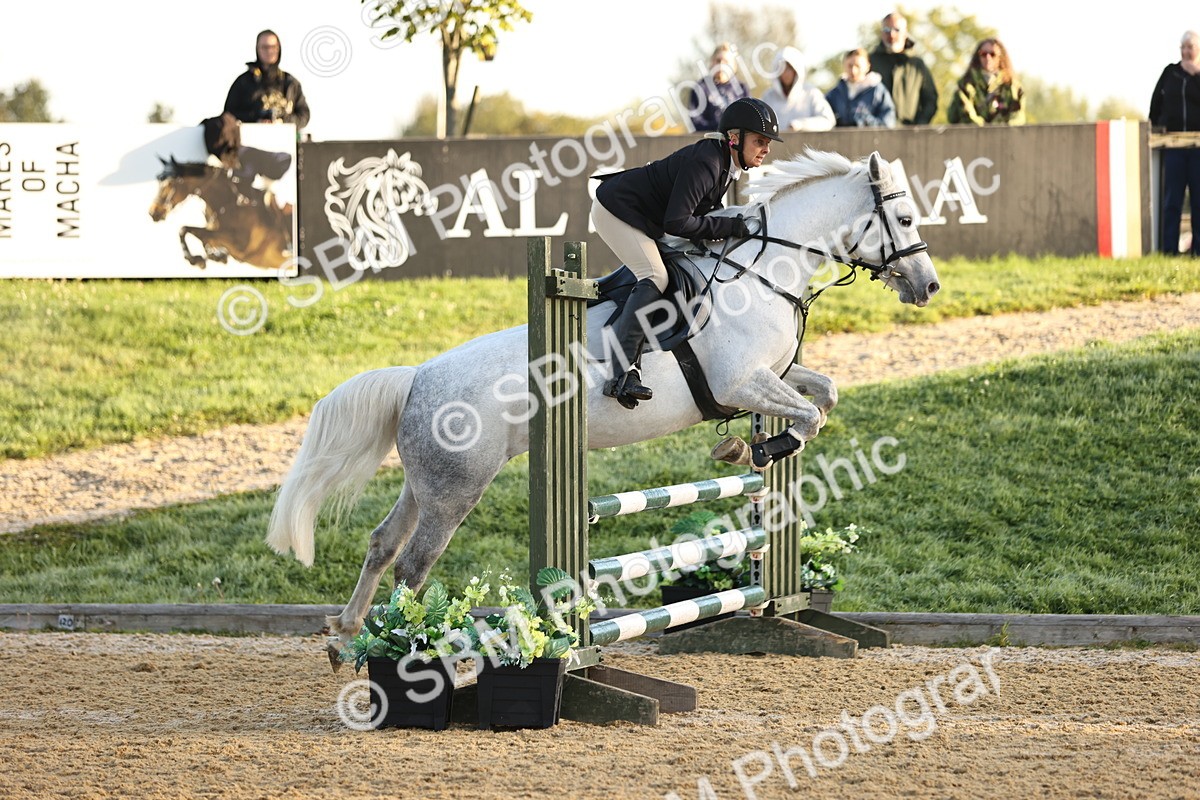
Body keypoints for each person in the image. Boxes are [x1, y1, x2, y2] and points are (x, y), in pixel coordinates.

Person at [591, 97, 781, 409]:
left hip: (642, 216)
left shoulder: (724, 165)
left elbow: (699, 218)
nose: (766, 149)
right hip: (615, 210)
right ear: (734, 138)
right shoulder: (707, 163)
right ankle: (621, 373)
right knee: (655, 275)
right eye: (760, 141)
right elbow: (677, 222)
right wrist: (729, 227)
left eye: (768, 142)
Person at [1149, 30, 1200, 256]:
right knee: (1172, 201)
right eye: (1183, 47)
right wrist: (1157, 126)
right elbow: (1155, 103)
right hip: (1174, 148)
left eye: (1190, 47)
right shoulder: (1170, 73)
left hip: (1198, 149)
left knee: (1198, 201)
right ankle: (1168, 251)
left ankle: (1197, 251)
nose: (1186, 51)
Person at [224, 29, 311, 131]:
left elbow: (304, 115)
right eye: (265, 47)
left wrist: (282, 121)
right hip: (250, 142)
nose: (269, 51)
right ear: (257, 49)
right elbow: (228, 115)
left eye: (273, 47)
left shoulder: (291, 83)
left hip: (285, 141)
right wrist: (256, 119)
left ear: (279, 49)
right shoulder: (243, 82)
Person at [869, 12, 938, 125]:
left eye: (896, 30)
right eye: (886, 29)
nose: (891, 34)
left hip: (909, 134)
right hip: (876, 133)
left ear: (905, 32)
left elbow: (930, 101)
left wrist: (919, 126)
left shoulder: (917, 65)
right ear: (881, 33)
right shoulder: (870, 62)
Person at [947, 38, 1026, 126]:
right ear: (978, 57)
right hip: (972, 135)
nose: (988, 58)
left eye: (993, 54)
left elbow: (1017, 116)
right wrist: (984, 129)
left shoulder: (1011, 85)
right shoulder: (966, 84)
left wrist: (1001, 128)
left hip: (1004, 136)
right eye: (983, 54)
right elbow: (959, 116)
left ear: (1000, 57)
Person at [760, 46, 835, 132]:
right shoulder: (768, 97)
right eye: (781, 68)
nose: (785, 73)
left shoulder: (811, 93)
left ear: (797, 70)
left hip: (804, 144)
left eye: (789, 68)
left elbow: (828, 120)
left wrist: (800, 125)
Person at [686, 43, 751, 132]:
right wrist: (719, 130)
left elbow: (747, 119)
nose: (721, 65)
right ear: (711, 63)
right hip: (708, 140)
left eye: (726, 62)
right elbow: (696, 121)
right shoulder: (700, 88)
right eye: (718, 60)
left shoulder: (742, 89)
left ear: (734, 66)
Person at [825, 48, 897, 128]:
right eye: (850, 66)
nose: (853, 70)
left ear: (867, 67)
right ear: (844, 66)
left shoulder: (878, 92)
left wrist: (864, 121)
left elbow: (888, 123)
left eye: (857, 66)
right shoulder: (834, 94)